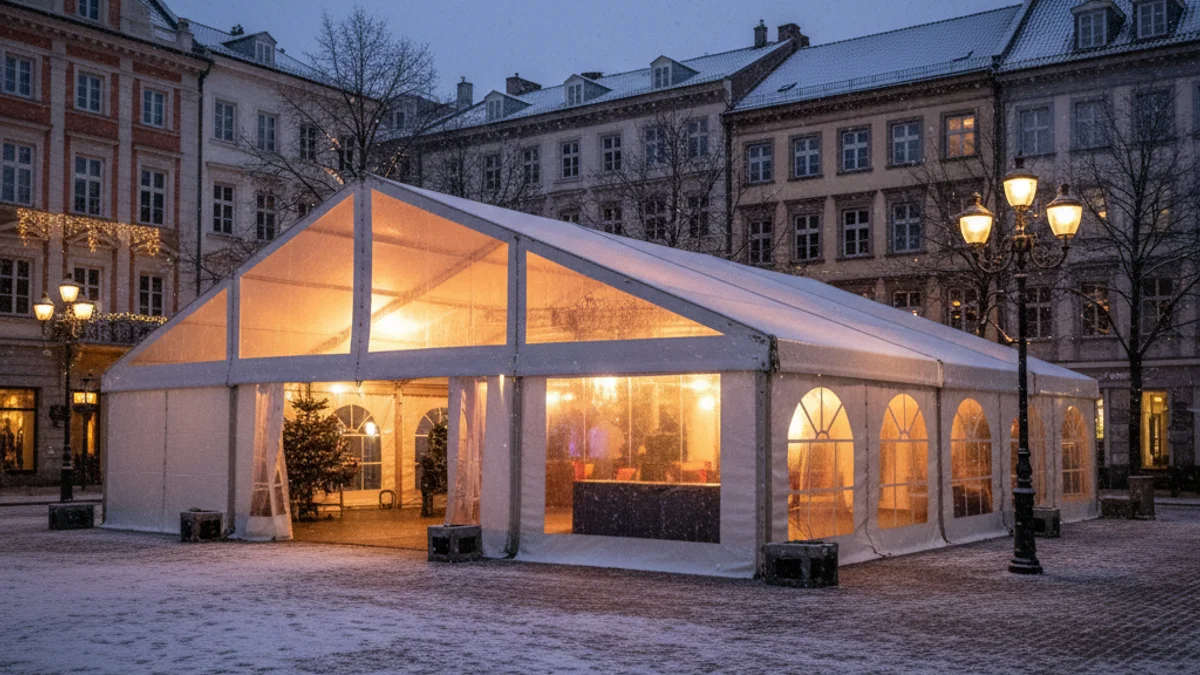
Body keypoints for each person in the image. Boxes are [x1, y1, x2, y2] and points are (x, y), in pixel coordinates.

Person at [419, 451, 438, 517]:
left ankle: (424, 513)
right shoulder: (429, 468)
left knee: (425, 498)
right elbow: (432, 474)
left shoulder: (423, 465)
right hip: (428, 483)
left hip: (424, 483)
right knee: (429, 498)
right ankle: (429, 513)